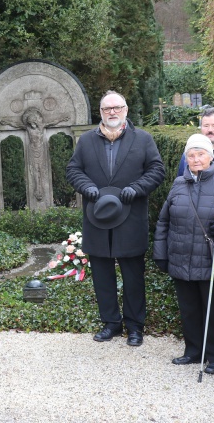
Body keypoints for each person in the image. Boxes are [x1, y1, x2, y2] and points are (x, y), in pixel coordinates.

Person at [66, 91, 165, 347]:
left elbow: (156, 170)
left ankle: (135, 326)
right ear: (100, 112)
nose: (112, 112)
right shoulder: (87, 140)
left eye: (117, 107)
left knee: (133, 277)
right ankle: (110, 323)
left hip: (130, 218)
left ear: (126, 110)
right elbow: (73, 170)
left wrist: (138, 188)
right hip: (97, 217)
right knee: (102, 277)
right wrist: (86, 186)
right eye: (107, 108)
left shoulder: (142, 139)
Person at [153, 134, 214, 374]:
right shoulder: (178, 184)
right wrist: (161, 254)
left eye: (200, 154)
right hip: (181, 257)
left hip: (211, 260)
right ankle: (193, 350)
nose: (196, 159)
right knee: (189, 309)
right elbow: (164, 221)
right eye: (191, 155)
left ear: (210, 156)